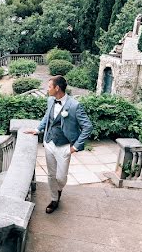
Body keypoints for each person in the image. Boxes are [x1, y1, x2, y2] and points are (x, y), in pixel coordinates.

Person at [22, 75, 93, 213]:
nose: (47, 89)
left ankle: (58, 189)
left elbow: (88, 127)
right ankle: (54, 200)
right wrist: (38, 130)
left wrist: (76, 146)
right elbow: (47, 117)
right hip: (49, 143)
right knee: (50, 175)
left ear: (57, 88)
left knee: (61, 178)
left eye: (49, 87)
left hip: (64, 146)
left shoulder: (74, 106)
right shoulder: (50, 100)